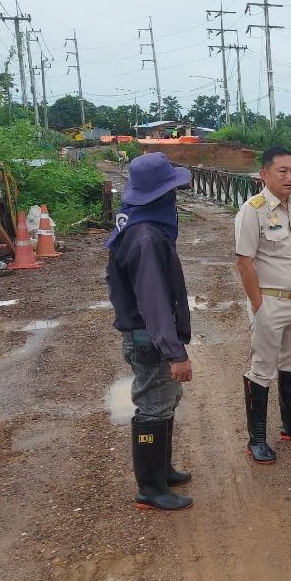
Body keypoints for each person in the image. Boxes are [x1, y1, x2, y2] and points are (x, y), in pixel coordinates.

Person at [106, 153, 194, 512]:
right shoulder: (146, 238)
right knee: (153, 407)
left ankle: (162, 471)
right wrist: (175, 352)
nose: (174, 198)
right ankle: (151, 488)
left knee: (164, 400)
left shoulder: (135, 226)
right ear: (161, 196)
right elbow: (154, 301)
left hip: (147, 335)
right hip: (149, 338)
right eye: (171, 191)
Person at [235, 145, 291, 463]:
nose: (290, 177)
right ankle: (256, 439)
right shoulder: (252, 210)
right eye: (282, 171)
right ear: (264, 174)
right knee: (262, 368)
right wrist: (258, 305)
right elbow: (244, 262)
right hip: (271, 302)